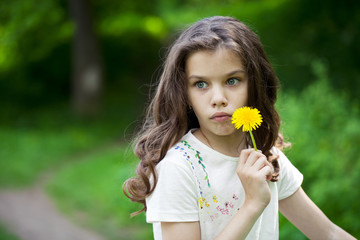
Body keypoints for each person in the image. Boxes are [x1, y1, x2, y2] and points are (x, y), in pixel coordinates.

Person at [123, 16, 355, 240]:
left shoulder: (266, 159)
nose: (218, 98)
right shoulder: (179, 168)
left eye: (232, 80)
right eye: (201, 84)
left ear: (254, 84)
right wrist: (252, 204)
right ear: (184, 93)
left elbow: (328, 234)